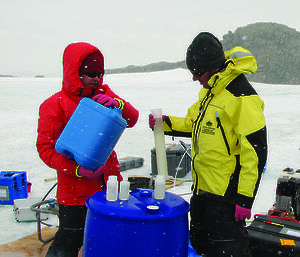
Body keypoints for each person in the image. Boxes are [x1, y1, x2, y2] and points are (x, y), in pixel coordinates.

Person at [149, 32, 267, 256]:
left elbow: (256, 151)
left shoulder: (241, 97)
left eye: (197, 72)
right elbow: (194, 123)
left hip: (226, 196)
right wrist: (165, 124)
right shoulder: (211, 93)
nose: (195, 78)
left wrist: (244, 198)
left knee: (229, 249)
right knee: (202, 243)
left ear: (213, 67)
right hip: (202, 189)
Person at [36, 42, 139, 257]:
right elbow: (46, 149)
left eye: (100, 73)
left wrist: (117, 103)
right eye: (90, 73)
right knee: (67, 244)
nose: (96, 78)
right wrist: (76, 170)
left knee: (109, 243)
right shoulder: (54, 105)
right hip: (75, 196)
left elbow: (132, 118)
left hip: (110, 188)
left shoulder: (104, 94)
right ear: (75, 73)